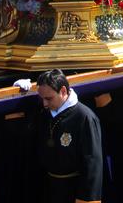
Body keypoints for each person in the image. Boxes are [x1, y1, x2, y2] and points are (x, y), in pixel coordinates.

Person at [33, 69, 102, 203]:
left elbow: (92, 162)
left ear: (63, 91)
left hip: (73, 190)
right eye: (42, 99)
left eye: (49, 98)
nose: (45, 104)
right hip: (50, 189)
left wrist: (86, 199)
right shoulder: (45, 114)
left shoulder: (84, 117)